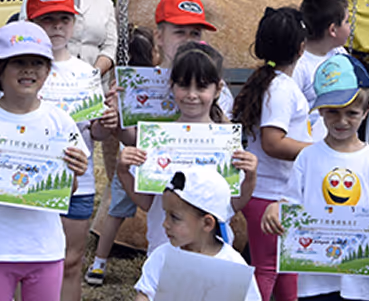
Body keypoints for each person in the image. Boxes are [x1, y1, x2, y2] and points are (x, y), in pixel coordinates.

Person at [0, 22, 91, 301]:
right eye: (18, 62)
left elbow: (67, 190)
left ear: (48, 71)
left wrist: (75, 173)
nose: (29, 70)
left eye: (38, 63)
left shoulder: (60, 121)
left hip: (44, 249)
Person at [262, 54, 369, 301]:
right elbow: (290, 202)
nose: (342, 121)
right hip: (315, 279)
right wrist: (275, 209)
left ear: (366, 111)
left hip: (360, 281)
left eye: (351, 113)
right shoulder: (308, 157)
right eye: (333, 112)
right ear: (321, 111)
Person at [113, 42, 258, 256]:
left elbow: (233, 205)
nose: (191, 95)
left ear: (218, 89)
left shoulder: (225, 140)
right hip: (164, 246)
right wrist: (123, 170)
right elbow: (146, 203)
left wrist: (251, 176)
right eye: (183, 85)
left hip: (212, 251)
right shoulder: (156, 137)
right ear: (171, 85)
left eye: (201, 87)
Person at [24, 0, 117, 300]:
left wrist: (106, 121)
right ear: (32, 22)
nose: (57, 27)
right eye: (48, 19)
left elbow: (97, 133)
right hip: (29, 180)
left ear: (74, 23)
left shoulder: (86, 74)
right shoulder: (20, 70)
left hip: (80, 181)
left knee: (71, 262)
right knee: (32, 263)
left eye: (64, 19)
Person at [231, 7, 314, 301]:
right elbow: (272, 142)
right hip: (269, 195)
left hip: (280, 194)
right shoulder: (281, 89)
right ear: (301, 48)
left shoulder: (272, 83)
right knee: (266, 269)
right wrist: (316, 152)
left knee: (287, 267)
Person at [87, 25, 157, 286]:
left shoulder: (120, 85)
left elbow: (118, 130)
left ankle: (99, 263)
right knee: (158, 212)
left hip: (130, 157)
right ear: (154, 54)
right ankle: (153, 262)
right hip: (144, 158)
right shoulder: (158, 84)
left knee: (115, 215)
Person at [133, 168, 261, 301]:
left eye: (175, 217)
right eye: (165, 214)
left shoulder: (233, 264)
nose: (165, 223)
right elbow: (145, 294)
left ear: (207, 223)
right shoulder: (161, 256)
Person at [296, 0, 354, 141]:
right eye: (347, 22)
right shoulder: (299, 64)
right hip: (310, 142)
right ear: (333, 30)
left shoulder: (339, 53)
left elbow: (357, 88)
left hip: (343, 135)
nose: (350, 27)